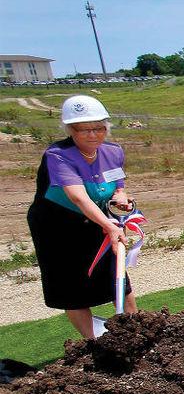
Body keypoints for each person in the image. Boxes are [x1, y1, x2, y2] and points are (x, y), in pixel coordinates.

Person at [27, 95, 136, 339]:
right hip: (57, 226)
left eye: (98, 128)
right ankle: (92, 342)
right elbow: (79, 197)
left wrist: (121, 196)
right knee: (71, 284)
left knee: (116, 275)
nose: (93, 134)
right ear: (70, 130)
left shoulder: (113, 152)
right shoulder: (58, 155)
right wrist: (109, 225)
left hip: (98, 221)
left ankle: (136, 331)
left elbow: (117, 184)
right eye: (84, 129)